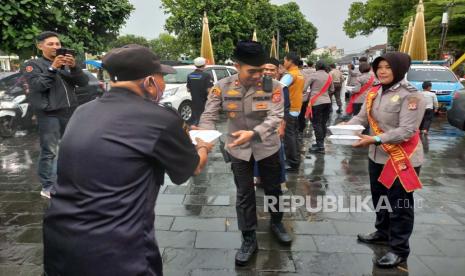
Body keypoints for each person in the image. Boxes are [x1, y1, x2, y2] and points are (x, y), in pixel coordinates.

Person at [43, 44, 213, 276]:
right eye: (161, 77)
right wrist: (203, 146)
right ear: (149, 82)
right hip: (117, 251)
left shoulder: (83, 111)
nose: (163, 84)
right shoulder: (160, 119)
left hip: (60, 241)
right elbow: (192, 168)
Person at [198, 41, 292, 266]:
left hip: (267, 146)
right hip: (238, 150)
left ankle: (276, 222)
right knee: (244, 194)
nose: (259, 75)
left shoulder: (275, 86)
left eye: (262, 70)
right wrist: (203, 138)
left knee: (273, 188)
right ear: (237, 66)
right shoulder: (221, 86)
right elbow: (208, 115)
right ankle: (249, 238)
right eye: (253, 71)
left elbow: (275, 117)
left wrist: (253, 133)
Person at [346, 52, 425, 268]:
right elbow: (361, 117)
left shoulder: (412, 96)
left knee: (399, 205)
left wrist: (375, 138)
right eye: (379, 67)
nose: (382, 71)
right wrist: (346, 126)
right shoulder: (374, 92)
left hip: (402, 158)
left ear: (399, 69)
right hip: (377, 156)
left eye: (388, 67)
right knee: (380, 198)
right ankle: (383, 232)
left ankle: (399, 250)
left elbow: (407, 130)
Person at [22, 31, 88, 199]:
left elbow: (83, 83)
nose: (55, 47)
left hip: (70, 111)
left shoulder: (66, 64)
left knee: (71, 148)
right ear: (40, 46)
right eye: (50, 44)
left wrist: (74, 67)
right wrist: (53, 68)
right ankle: (48, 185)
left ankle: (69, 181)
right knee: (49, 151)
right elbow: (39, 85)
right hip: (49, 113)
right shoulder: (33, 65)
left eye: (57, 44)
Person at [281, 52, 305, 172]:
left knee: (288, 137)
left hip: (289, 109)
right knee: (294, 136)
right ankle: (295, 160)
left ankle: (292, 162)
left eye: (285, 60)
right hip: (296, 108)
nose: (284, 63)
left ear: (290, 61)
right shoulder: (299, 74)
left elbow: (277, 89)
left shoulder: (290, 75)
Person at [304, 60, 334, 153]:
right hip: (327, 102)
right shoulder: (329, 76)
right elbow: (332, 89)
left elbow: (304, 88)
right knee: (323, 123)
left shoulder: (313, 75)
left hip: (316, 102)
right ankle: (320, 143)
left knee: (316, 123)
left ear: (317, 66)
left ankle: (320, 146)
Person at [186, 57, 214, 125]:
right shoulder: (206, 75)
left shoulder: (190, 75)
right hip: (204, 102)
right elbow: (209, 90)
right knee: (204, 120)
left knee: (196, 119)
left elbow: (188, 89)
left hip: (194, 101)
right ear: (204, 65)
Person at [298, 61, 315, 135]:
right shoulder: (306, 74)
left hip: (295, 97)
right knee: (302, 112)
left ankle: (298, 127)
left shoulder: (291, 74)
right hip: (305, 96)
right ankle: (301, 127)